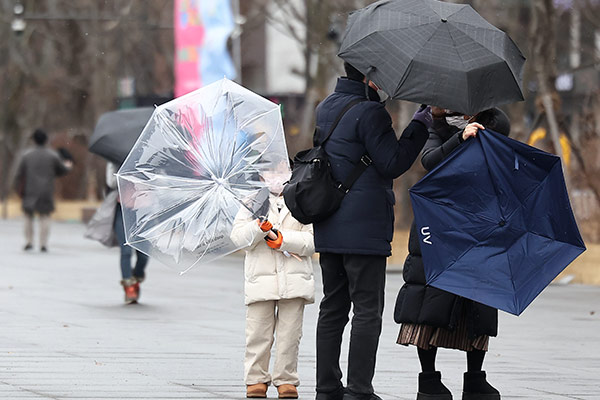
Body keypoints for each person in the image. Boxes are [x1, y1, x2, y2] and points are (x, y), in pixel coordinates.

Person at [313, 62, 431, 400]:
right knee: (366, 310)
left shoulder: (327, 106)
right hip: (363, 228)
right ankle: (359, 390)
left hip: (330, 220)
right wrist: (419, 125)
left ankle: (327, 388)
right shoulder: (370, 112)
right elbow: (393, 163)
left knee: (333, 307)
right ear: (370, 76)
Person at [393, 107, 511, 400]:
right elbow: (429, 160)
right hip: (439, 223)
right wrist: (460, 137)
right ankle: (428, 380)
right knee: (428, 302)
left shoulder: (488, 122)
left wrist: (484, 124)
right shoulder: (437, 127)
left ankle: (475, 379)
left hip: (478, 220)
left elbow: (504, 138)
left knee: (478, 302)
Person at [230, 166, 315, 399]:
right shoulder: (251, 203)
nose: (276, 177)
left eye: (281, 171)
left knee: (290, 334)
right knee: (257, 333)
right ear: (261, 176)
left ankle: (286, 379)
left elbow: (311, 240)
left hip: (295, 279)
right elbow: (239, 238)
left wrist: (283, 240)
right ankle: (256, 378)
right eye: (270, 171)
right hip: (261, 279)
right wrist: (258, 228)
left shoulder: (301, 199)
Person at [15, 129, 72, 252]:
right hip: (46, 190)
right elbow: (62, 170)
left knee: (28, 216)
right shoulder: (53, 155)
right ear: (46, 140)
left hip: (29, 190)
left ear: (34, 140)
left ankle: (29, 241)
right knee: (45, 217)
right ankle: (43, 243)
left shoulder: (26, 155)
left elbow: (19, 174)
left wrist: (17, 189)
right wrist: (68, 165)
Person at [106, 162, 149, 304]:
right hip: (122, 209)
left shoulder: (151, 157)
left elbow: (160, 179)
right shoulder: (115, 157)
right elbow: (110, 182)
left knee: (143, 252)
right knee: (125, 250)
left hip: (144, 210)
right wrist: (123, 173)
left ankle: (137, 275)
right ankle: (129, 287)